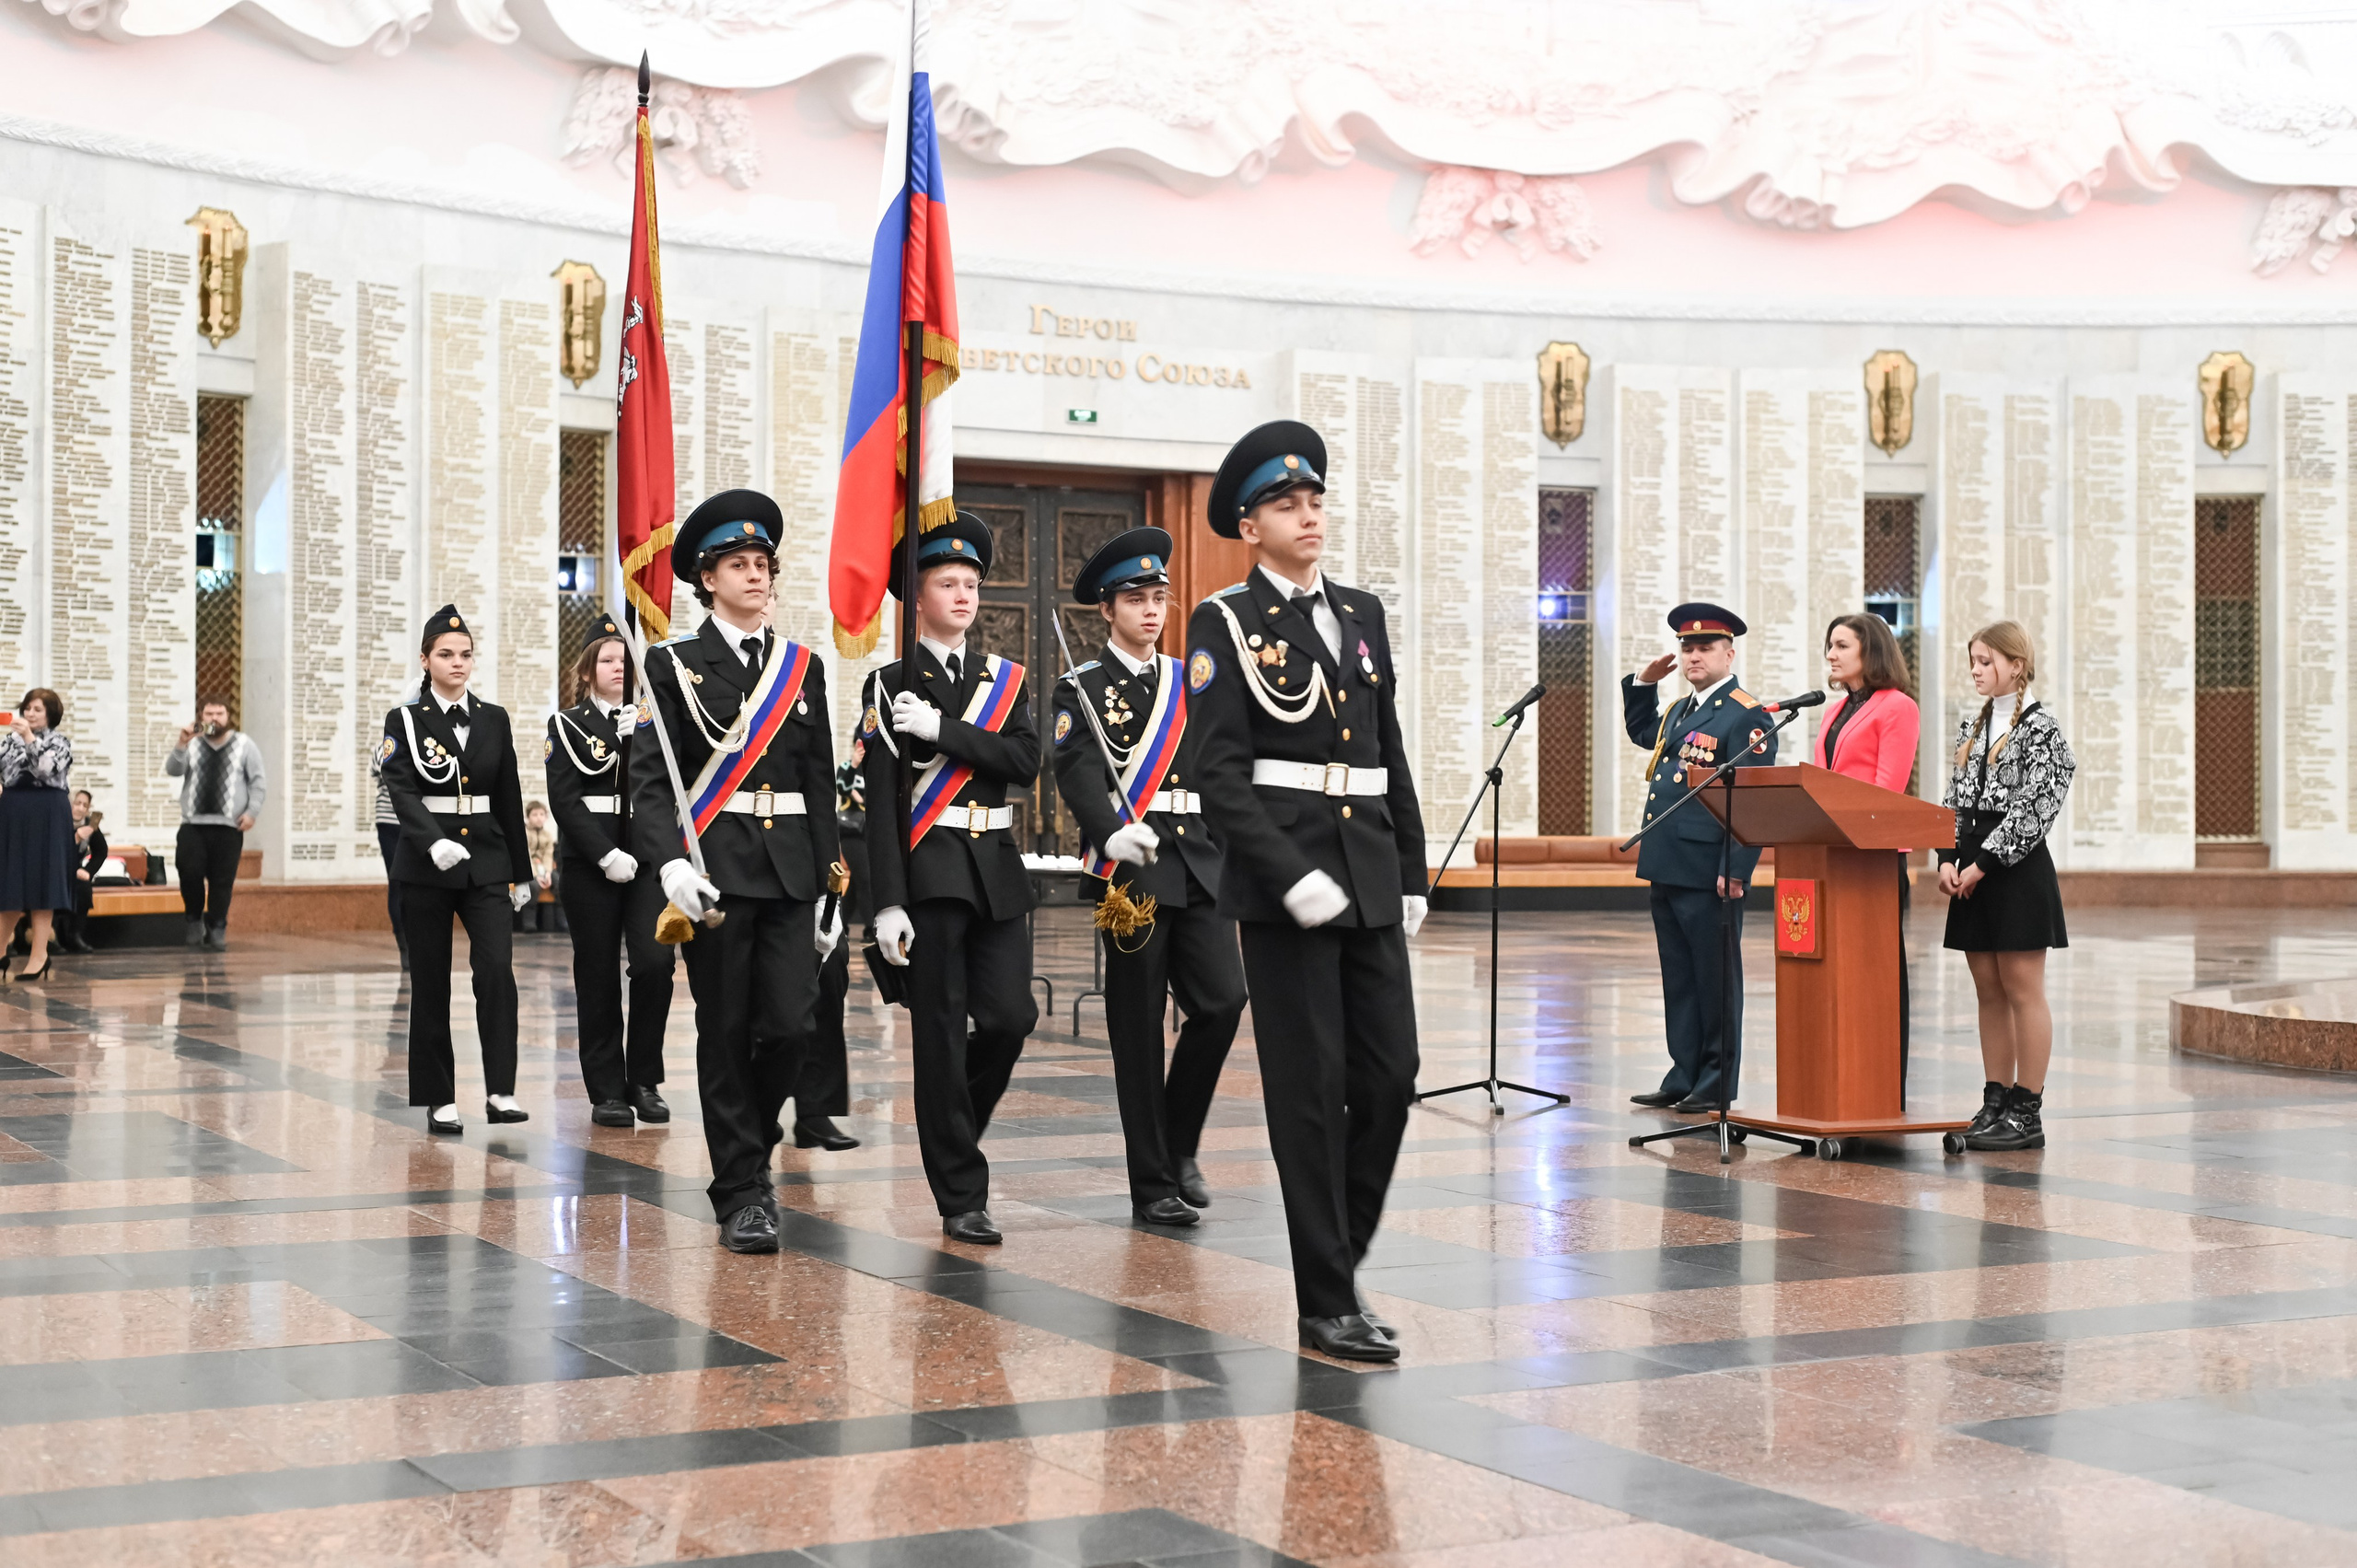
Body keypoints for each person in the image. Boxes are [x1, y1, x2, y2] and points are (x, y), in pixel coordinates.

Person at [1186, 421, 1427, 1365]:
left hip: (1367, 874)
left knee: (1390, 1078)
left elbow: (1386, 749)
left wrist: (1408, 870)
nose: (1309, 515)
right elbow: (1219, 774)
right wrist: (1289, 876)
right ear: (1251, 526)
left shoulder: (1360, 612)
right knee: (1308, 1091)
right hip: (1287, 889)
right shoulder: (1224, 622)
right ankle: (1326, 1298)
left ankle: (1339, 1254)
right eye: (1288, 504)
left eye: (1316, 499)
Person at [630, 490, 843, 1255]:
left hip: (790, 873)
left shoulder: (803, 669)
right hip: (716, 874)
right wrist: (670, 865)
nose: (756, 575)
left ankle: (748, 1142)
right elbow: (652, 779)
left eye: (763, 564)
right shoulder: (673, 665)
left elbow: (819, 782)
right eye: (739, 565)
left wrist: (832, 885)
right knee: (724, 1031)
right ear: (707, 580)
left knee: (790, 1024)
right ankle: (741, 1190)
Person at [1051, 526, 1246, 1227]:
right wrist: (1109, 831)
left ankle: (1177, 1139)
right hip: (1129, 873)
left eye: (1159, 596)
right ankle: (1152, 1183)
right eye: (1136, 598)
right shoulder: (1082, 688)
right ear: (1107, 609)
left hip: (1199, 859)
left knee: (1223, 1002)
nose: (1152, 610)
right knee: (1136, 1031)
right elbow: (1074, 773)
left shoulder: (1190, 680)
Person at [859, 508, 1040, 1247]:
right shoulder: (891, 682)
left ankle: (950, 1125)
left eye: (971, 582)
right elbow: (878, 805)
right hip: (930, 876)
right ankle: (961, 1193)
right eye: (947, 582)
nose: (964, 595)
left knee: (1009, 1019)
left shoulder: (1007, 678)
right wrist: (887, 903)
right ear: (919, 595)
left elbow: (1026, 762)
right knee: (938, 1031)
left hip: (995, 870)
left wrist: (942, 732)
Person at [379, 605, 537, 1135]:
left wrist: (523, 872)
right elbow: (400, 787)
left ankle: (501, 1090)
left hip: (488, 861)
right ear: (425, 660)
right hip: (427, 865)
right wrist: (430, 840)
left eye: (465, 654)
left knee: (496, 974)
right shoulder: (403, 719)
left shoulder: (494, 719)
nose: (458, 663)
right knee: (431, 981)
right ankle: (438, 1097)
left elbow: (509, 796)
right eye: (446, 654)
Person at [1621, 603, 1779, 1114]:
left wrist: (1736, 869)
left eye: (1705, 647)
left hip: (1710, 868)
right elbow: (1645, 735)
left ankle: (1714, 1080)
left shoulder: (1745, 713)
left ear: (1728, 654)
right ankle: (1684, 1071)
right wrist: (1643, 685)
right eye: (1687, 647)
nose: (1693, 655)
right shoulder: (1681, 710)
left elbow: (1752, 802)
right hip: (1668, 860)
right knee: (1680, 976)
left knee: (1715, 978)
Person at [1938, 620, 2073, 1153]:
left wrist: (1984, 863)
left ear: (2016, 665)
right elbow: (1953, 799)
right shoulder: (1971, 727)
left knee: (2021, 988)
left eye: (1986, 661)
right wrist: (1948, 857)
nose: (1976, 670)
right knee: (1987, 989)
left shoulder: (2043, 730)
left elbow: (2035, 810)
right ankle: (1994, 1101)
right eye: (1972, 660)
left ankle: (2027, 1111)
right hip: (1971, 871)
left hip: (2014, 873)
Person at [545, 615, 674, 1130]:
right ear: (587, 670)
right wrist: (603, 854)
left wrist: (640, 737)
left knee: (654, 965)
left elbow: (668, 788)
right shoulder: (566, 726)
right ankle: (606, 1090)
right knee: (596, 975)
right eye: (608, 659)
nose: (619, 667)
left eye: (626, 659)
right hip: (591, 864)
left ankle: (643, 1078)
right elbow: (565, 801)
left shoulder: (654, 725)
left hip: (644, 860)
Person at [1817, 612, 1922, 1080]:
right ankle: (1841, 1080)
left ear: (1870, 651)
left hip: (1873, 862)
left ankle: (1879, 1082)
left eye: (1841, 646)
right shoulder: (1833, 710)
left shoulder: (1897, 706)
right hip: (1830, 859)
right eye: (1830, 646)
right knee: (1836, 977)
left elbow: (1887, 790)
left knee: (1874, 976)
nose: (1831, 655)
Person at [791, 750, 865, 1153]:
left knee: (831, 967)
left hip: (806, 861)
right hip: (741, 859)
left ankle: (815, 1111)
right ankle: (756, 1125)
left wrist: (827, 890)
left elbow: (820, 794)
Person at [165, 697, 266, 951]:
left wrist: (252, 812)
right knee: (189, 874)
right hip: (193, 825)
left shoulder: (245, 744)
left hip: (228, 827)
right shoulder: (193, 743)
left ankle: (217, 926)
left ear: (228, 717)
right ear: (201, 716)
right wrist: (181, 743)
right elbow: (174, 771)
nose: (214, 719)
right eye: (209, 714)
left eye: (219, 713)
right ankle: (193, 921)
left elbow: (257, 781)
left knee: (223, 880)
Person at [0, 689, 73, 983]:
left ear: (50, 714)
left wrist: (30, 738)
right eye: (27, 708)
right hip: (14, 812)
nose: (30, 714)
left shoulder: (60, 742)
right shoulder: (8, 741)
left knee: (44, 884)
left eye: (37, 709)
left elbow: (46, 770)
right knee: (9, 885)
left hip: (48, 813)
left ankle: (39, 955)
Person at [53, 792, 102, 954]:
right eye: (77, 803)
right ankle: (51, 937)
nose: (80, 808)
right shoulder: (58, 821)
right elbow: (56, 852)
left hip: (74, 872)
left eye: (85, 805)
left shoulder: (89, 826)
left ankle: (75, 935)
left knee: (83, 887)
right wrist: (76, 838)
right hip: (53, 870)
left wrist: (88, 871)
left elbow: (101, 851)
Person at [521, 801, 562, 933]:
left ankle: (562, 921)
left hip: (544, 868)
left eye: (541, 814)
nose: (539, 817)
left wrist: (548, 873)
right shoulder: (524, 833)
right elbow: (525, 855)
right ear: (528, 817)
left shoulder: (547, 836)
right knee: (532, 886)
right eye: (535, 814)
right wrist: (536, 875)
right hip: (528, 869)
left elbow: (548, 855)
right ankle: (529, 923)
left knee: (560, 882)